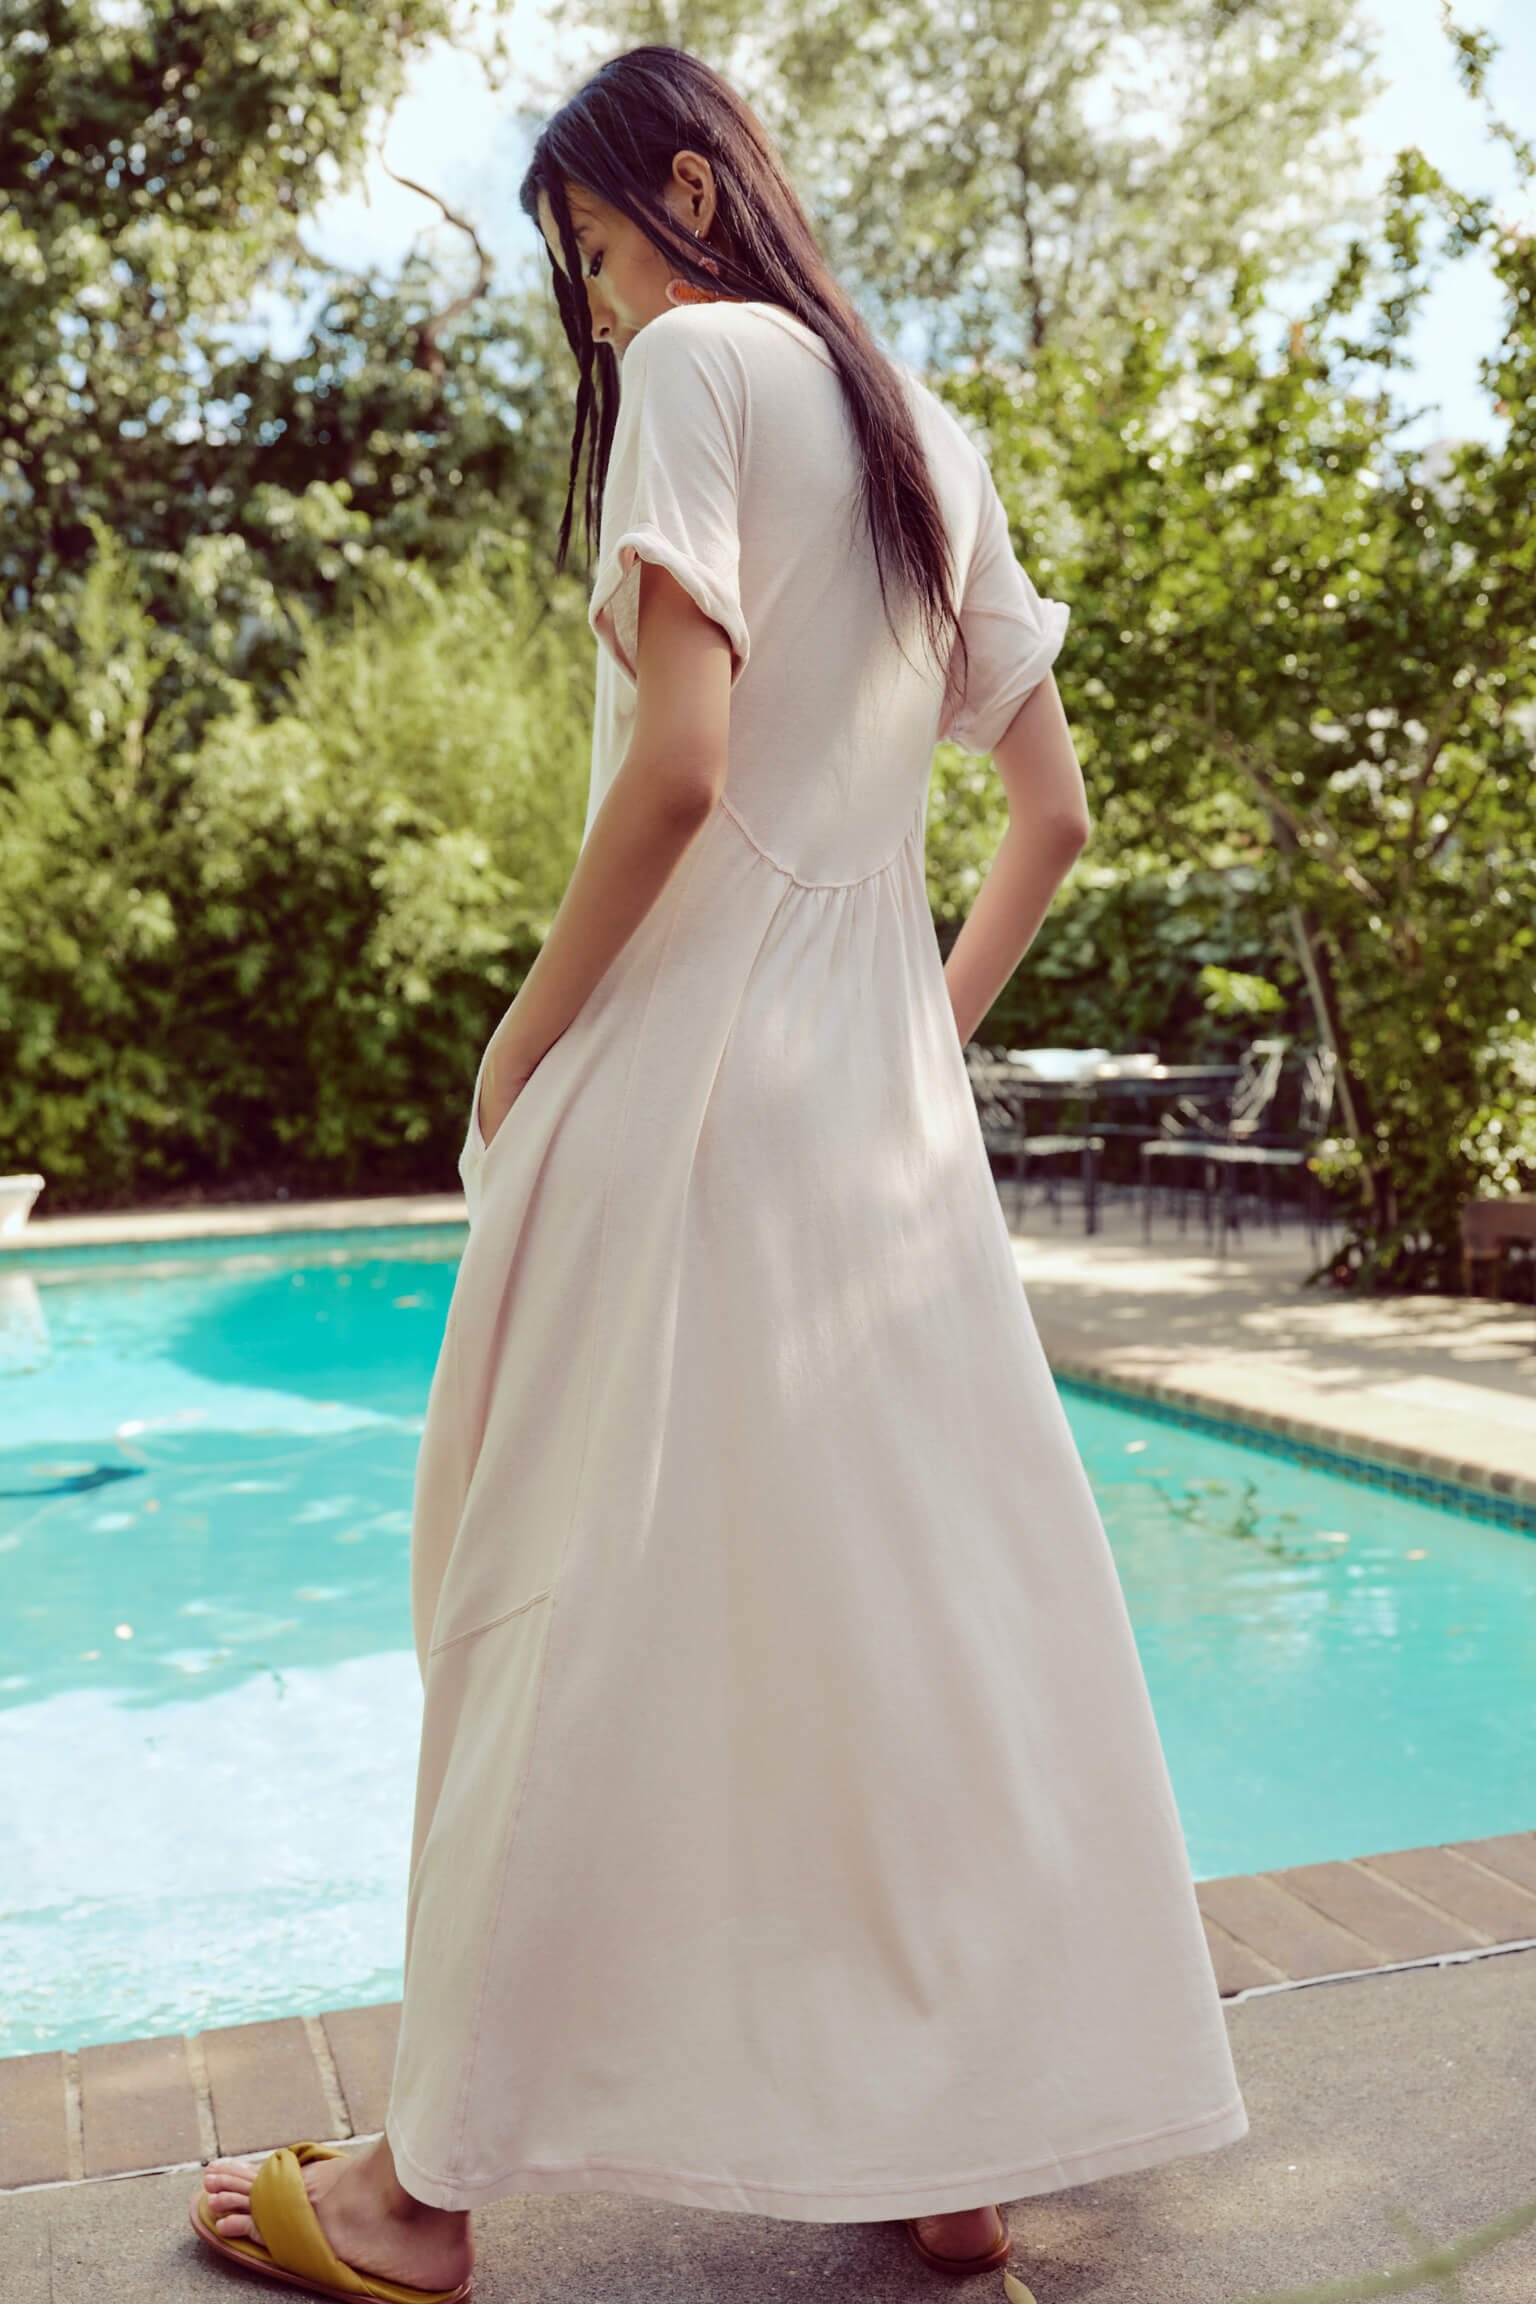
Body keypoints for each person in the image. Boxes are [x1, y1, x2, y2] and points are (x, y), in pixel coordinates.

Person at [190, 42, 1247, 2302]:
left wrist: (521, 1034)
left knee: (538, 1593)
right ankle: (951, 2149)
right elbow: (1050, 819)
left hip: (679, 1086)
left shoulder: (699, 367)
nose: (589, 311)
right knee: (895, 1623)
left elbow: (675, 770)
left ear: (677, 190)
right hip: (874, 1141)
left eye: (582, 255)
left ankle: (421, 2196)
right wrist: (898, 1049)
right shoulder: (922, 436)